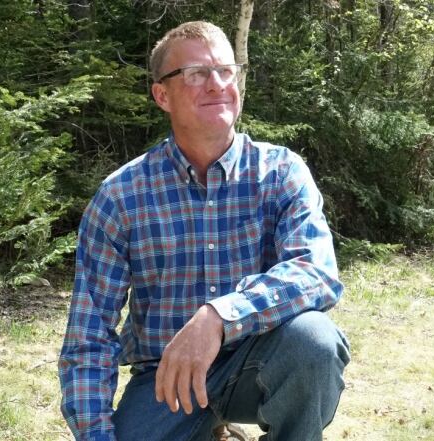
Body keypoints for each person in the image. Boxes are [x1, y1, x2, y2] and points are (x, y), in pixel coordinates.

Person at [58, 21, 350, 441]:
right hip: (167, 382)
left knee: (314, 341)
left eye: (225, 70)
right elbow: (89, 336)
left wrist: (219, 317)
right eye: (195, 73)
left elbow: (316, 274)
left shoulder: (281, 171)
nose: (216, 84)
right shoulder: (121, 196)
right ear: (162, 95)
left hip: (259, 360)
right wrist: (96, 436)